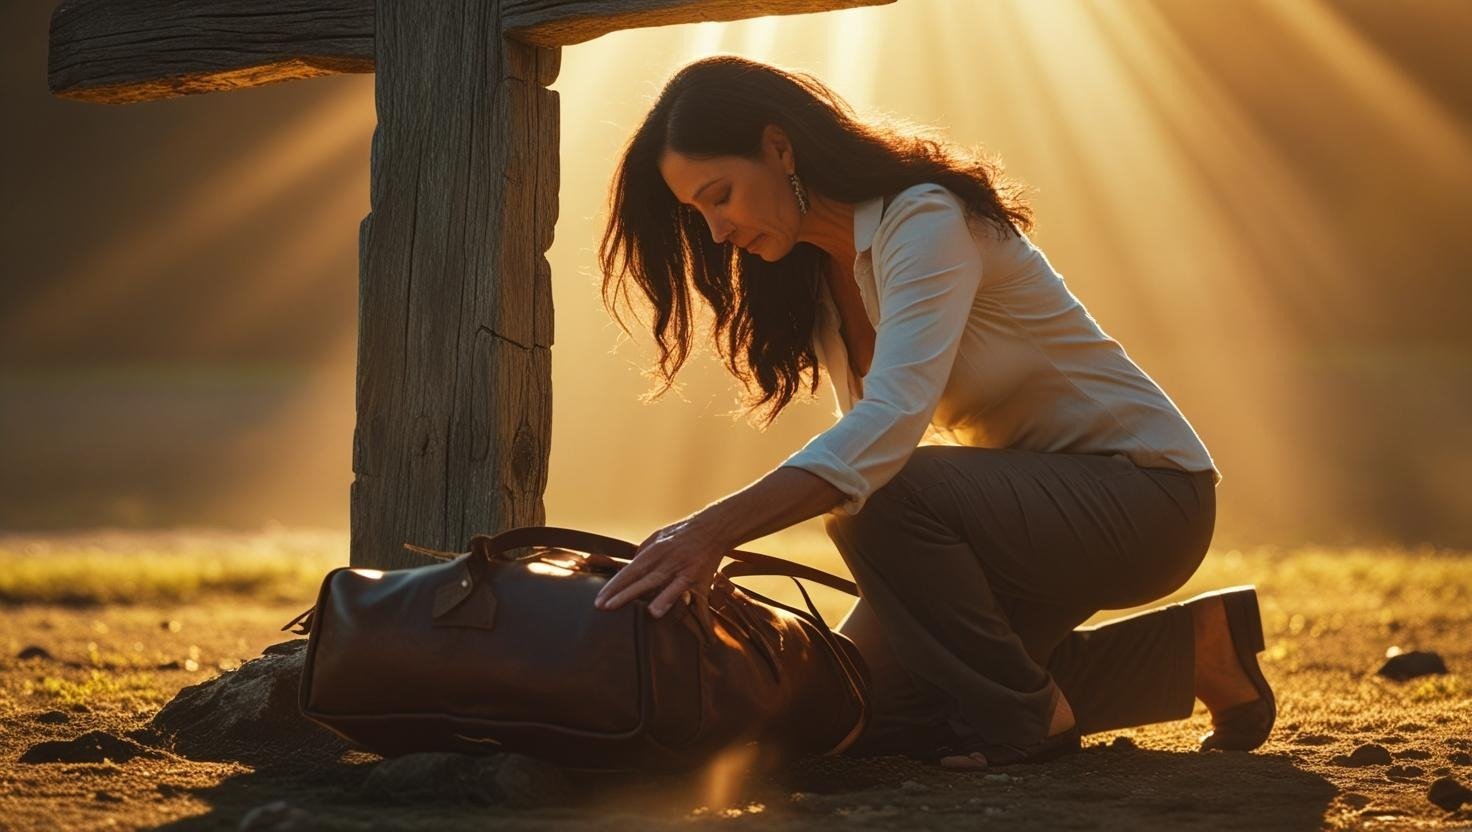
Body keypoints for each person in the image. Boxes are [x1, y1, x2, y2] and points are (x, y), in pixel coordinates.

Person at [591, 54, 1274, 770]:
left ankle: (1027, 720)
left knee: (881, 502)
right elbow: (869, 447)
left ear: (779, 147)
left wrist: (712, 532)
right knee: (847, 713)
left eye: (720, 194)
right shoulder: (819, 280)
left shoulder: (922, 218)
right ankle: (1202, 653)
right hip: (1015, 522)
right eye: (698, 213)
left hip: (1146, 497)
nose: (718, 231)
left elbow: (887, 434)